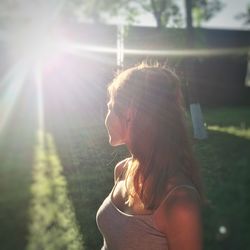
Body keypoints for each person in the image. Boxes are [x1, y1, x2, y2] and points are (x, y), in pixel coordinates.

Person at [96, 63, 205, 250]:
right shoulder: (123, 170)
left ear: (130, 113)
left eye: (110, 107)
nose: (106, 116)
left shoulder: (179, 202)